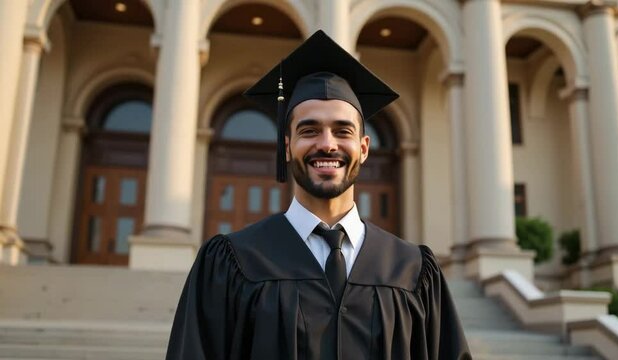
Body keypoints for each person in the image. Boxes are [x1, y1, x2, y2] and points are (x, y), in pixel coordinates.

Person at [166, 30, 471, 360]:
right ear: (287, 147)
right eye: (309, 130)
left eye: (343, 131)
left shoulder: (412, 270)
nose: (327, 144)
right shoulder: (233, 263)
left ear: (364, 149)